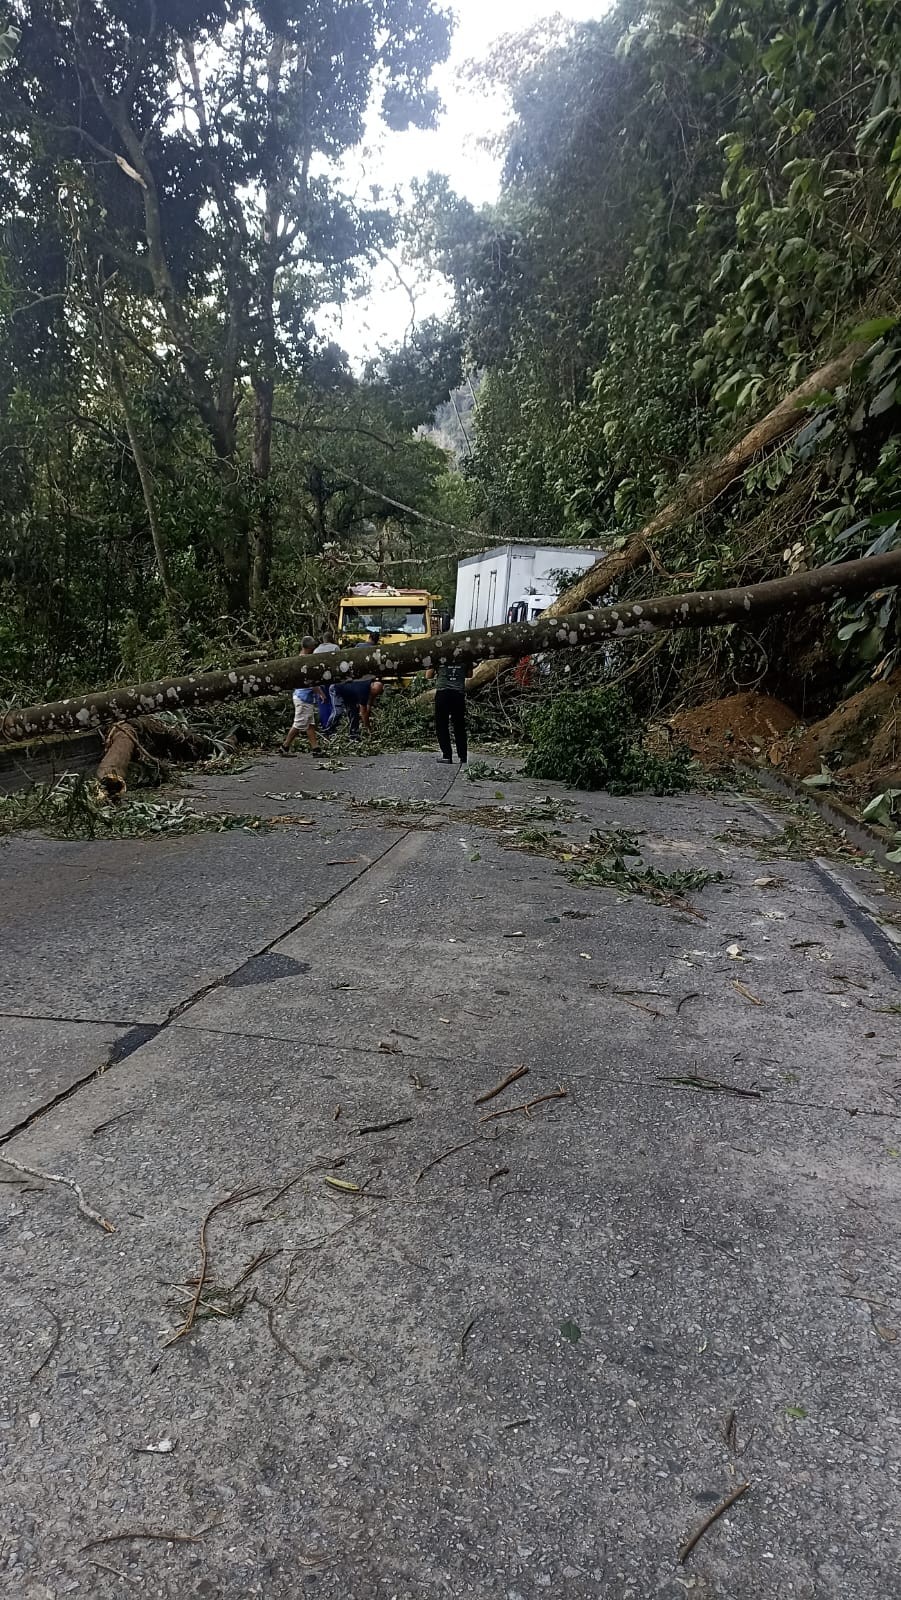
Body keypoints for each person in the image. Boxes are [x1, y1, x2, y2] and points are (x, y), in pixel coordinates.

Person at [280, 637, 327, 754]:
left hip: (303, 696)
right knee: (299, 724)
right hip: (303, 697)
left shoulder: (300, 658)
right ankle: (284, 747)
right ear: (310, 647)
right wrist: (321, 693)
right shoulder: (305, 662)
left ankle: (316, 748)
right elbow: (310, 682)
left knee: (309, 724)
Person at [427, 660, 468, 766]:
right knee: (459, 725)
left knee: (442, 725)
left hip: (443, 693)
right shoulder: (465, 655)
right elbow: (470, 674)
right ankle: (463, 757)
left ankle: (447, 756)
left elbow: (428, 675)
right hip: (458, 693)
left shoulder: (439, 656)